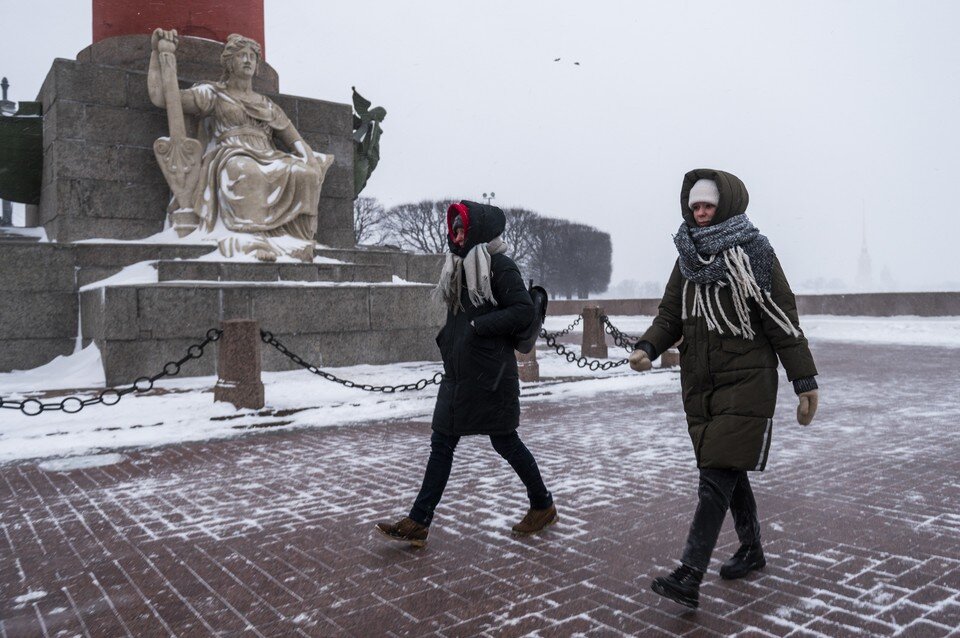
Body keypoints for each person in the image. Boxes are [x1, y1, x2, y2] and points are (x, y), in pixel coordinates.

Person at [628, 169, 820, 609]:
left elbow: (782, 320)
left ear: (725, 205)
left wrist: (804, 381)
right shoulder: (688, 257)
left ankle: (689, 575)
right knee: (725, 468)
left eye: (707, 205)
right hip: (701, 381)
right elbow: (670, 314)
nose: (699, 213)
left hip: (747, 379)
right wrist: (648, 346)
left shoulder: (755, 252)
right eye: (694, 205)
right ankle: (752, 549)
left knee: (715, 476)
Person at [375, 200, 557, 546]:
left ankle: (543, 504)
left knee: (505, 442)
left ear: (477, 230)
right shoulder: (457, 267)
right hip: (458, 374)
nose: (457, 235)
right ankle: (419, 520)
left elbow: (521, 311)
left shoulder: (499, 265)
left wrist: (477, 325)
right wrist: (450, 340)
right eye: (454, 228)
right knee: (441, 442)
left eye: (463, 228)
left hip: (490, 377)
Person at [148, 30, 334, 261]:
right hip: (232, 151)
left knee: (304, 173)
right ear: (229, 62)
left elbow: (293, 138)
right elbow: (162, 98)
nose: (248, 60)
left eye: (252, 57)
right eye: (241, 55)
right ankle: (249, 239)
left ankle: (292, 240)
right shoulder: (213, 93)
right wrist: (159, 54)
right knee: (246, 171)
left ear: (257, 66)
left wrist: (310, 160)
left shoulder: (266, 104)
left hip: (268, 153)